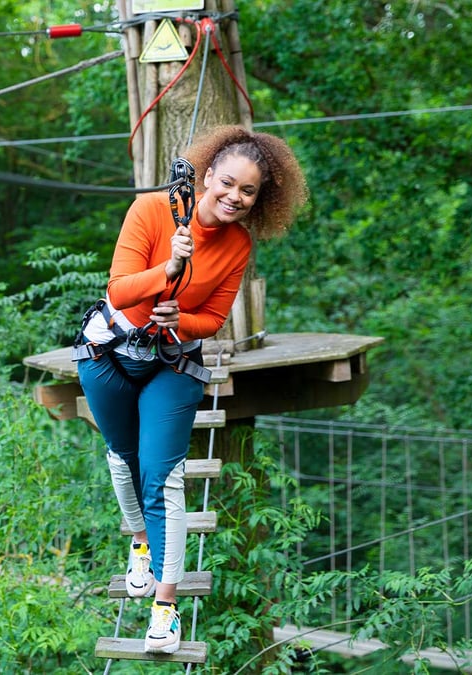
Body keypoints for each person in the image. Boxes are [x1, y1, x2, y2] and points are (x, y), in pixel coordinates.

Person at [73, 125, 308, 654]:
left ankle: (165, 605)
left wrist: (182, 317)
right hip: (110, 352)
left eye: (248, 192)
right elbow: (119, 289)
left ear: (259, 199)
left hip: (171, 361)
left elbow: (214, 317)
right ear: (206, 177)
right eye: (227, 184)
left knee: (164, 476)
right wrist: (170, 267)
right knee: (123, 457)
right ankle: (139, 542)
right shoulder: (152, 212)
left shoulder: (238, 244)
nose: (234, 198)